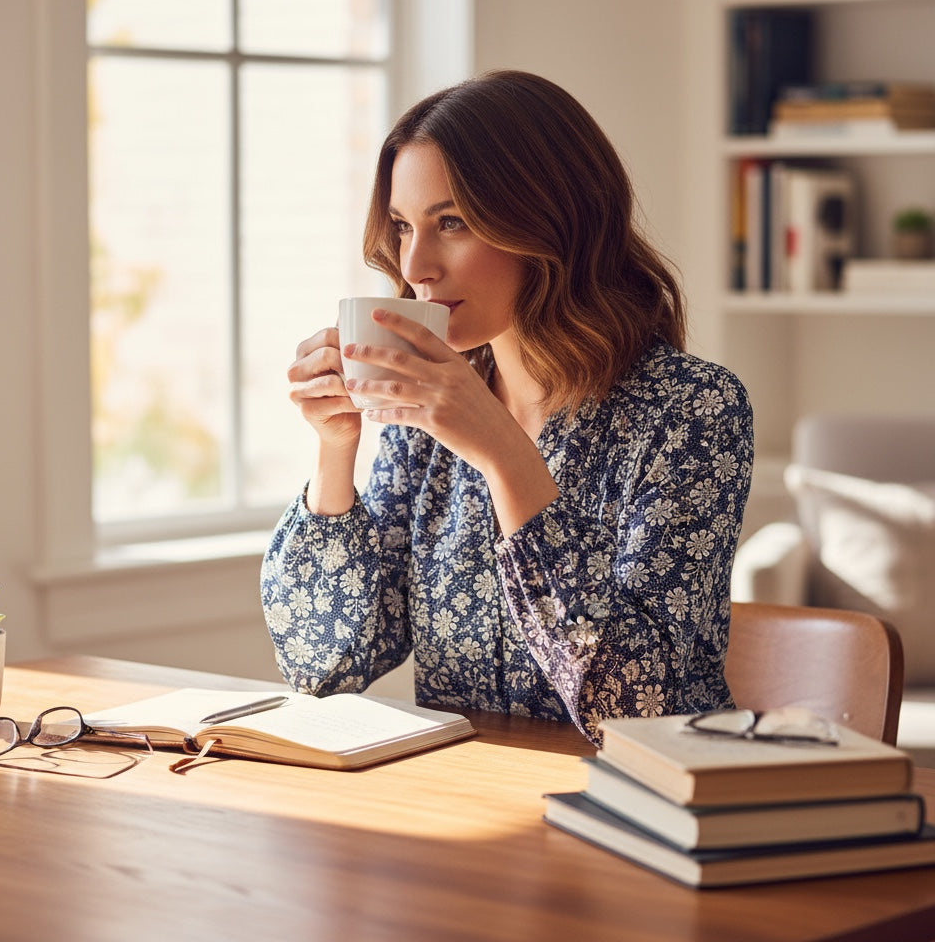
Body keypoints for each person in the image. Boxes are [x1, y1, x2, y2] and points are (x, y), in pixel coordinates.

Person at [260, 70, 753, 745]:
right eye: (403, 227)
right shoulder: (424, 415)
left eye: (452, 223)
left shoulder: (692, 410)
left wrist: (501, 451)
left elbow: (640, 706)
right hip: (475, 804)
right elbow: (321, 666)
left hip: (646, 808)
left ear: (547, 224)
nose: (417, 265)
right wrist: (336, 449)